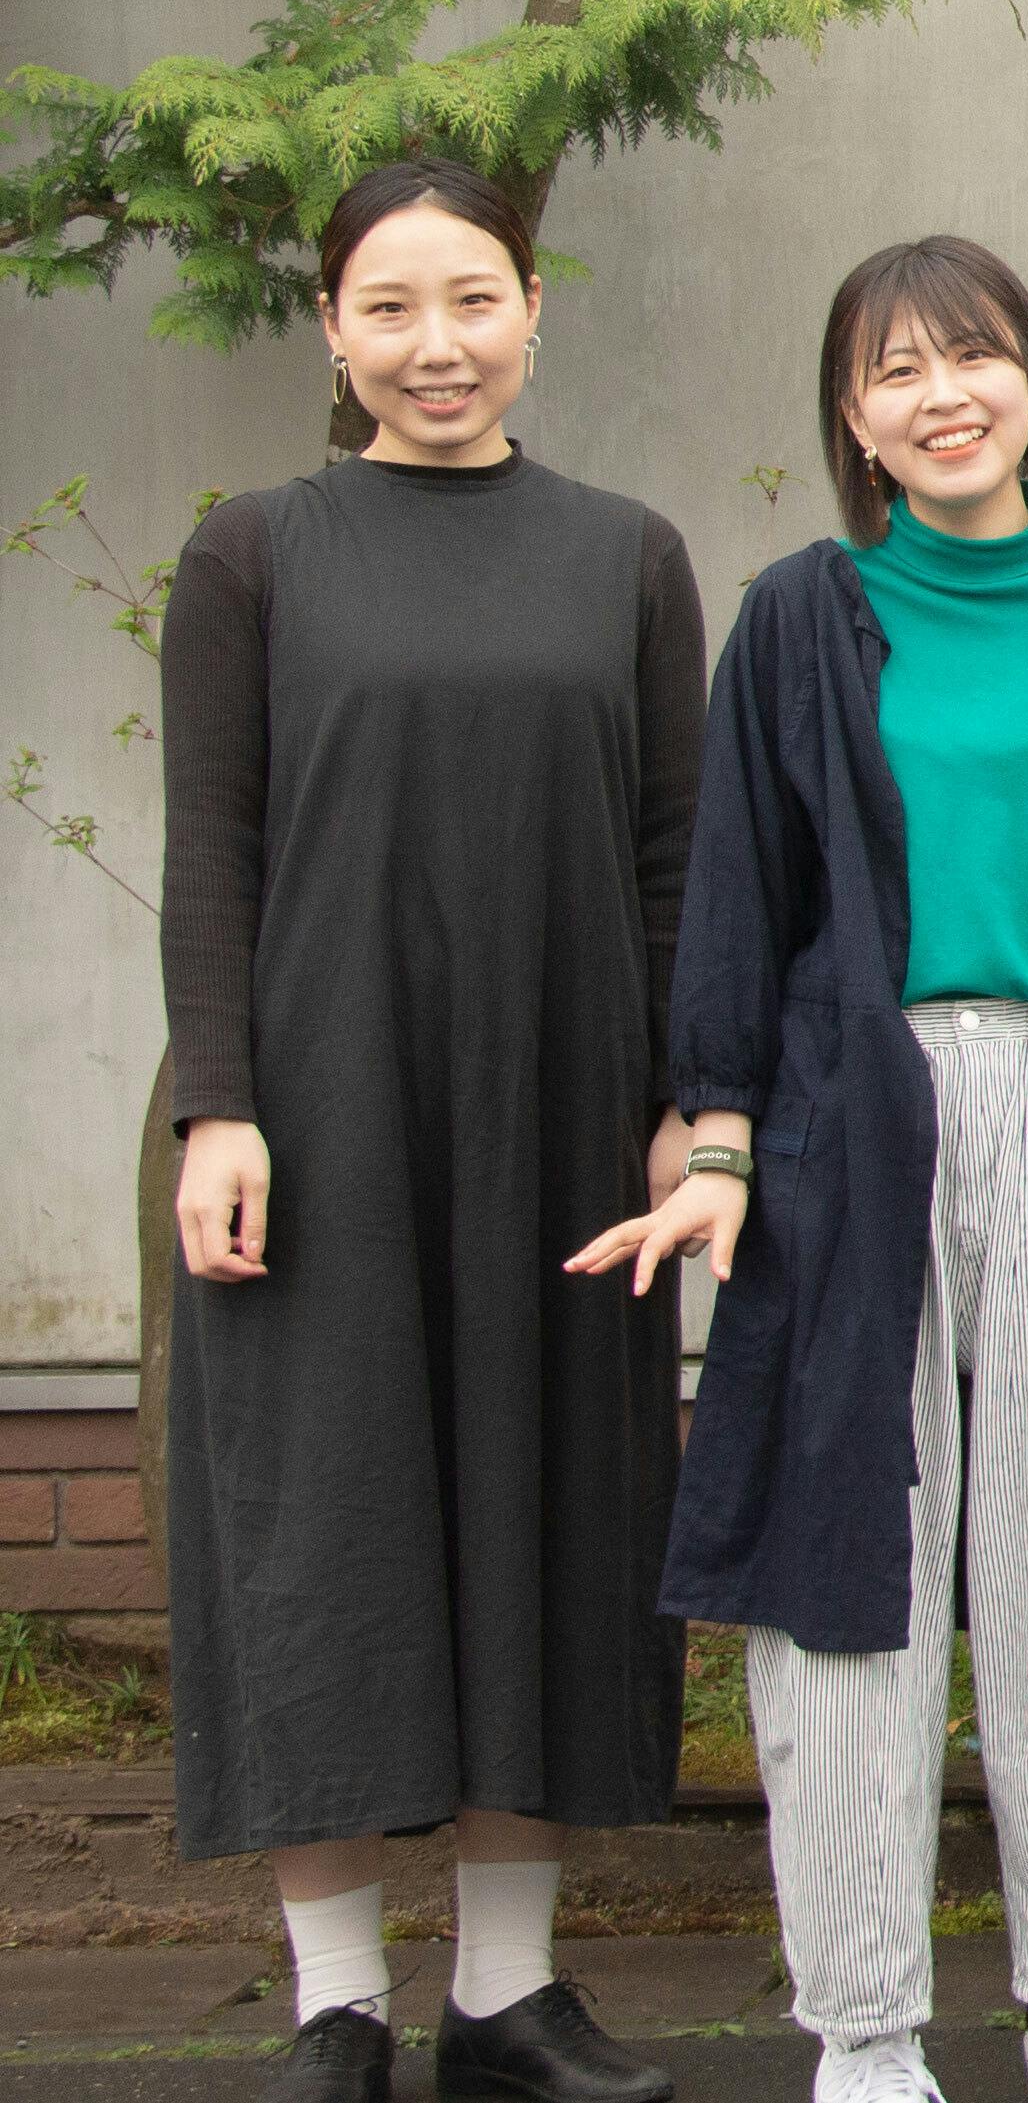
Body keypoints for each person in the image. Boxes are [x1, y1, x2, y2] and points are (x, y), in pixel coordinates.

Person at [578, 238, 1028, 2103]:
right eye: (897, 370)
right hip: (848, 1120)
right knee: (841, 1569)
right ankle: (865, 2028)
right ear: (854, 418)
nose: (943, 393)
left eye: (974, 354)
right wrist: (721, 1139)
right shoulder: (799, 616)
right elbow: (741, 897)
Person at [160, 156, 702, 2103]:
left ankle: (504, 1998)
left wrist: (682, 1107)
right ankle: (336, 2007)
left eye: (471, 299)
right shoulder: (255, 552)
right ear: (332, 329)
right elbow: (211, 850)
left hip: (563, 1122)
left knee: (542, 1513)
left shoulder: (625, 555)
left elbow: (672, 863)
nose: (435, 344)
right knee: (329, 1528)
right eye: (387, 307)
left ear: (534, 307)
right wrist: (218, 1104)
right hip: (322, 1121)